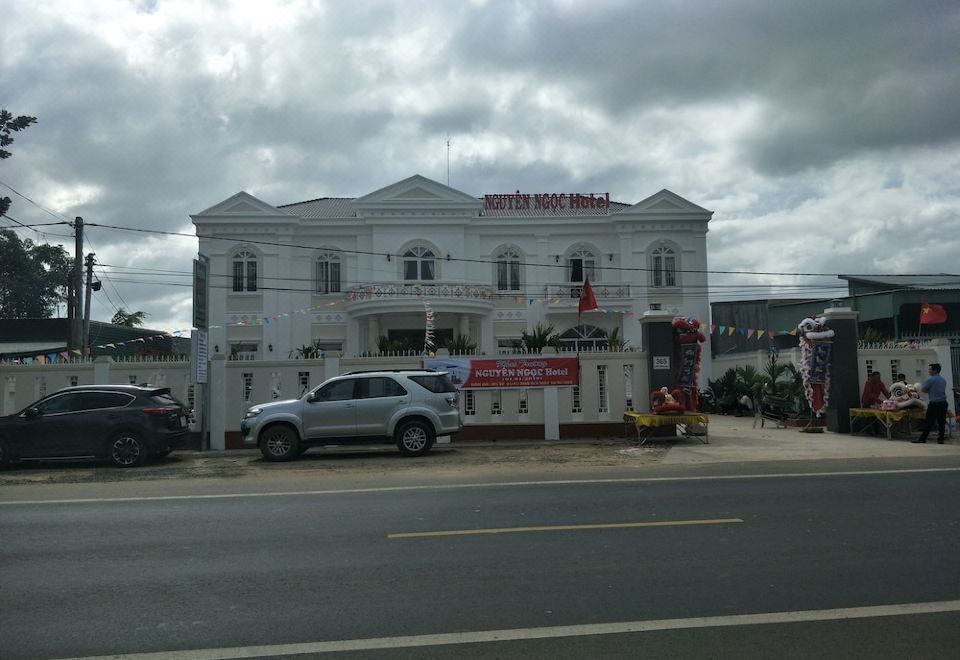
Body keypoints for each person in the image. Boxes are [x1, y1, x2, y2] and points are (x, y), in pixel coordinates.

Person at [913, 363, 948, 444]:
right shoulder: (943, 380)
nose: (929, 371)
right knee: (941, 422)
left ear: (935, 370)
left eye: (930, 369)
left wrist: (930, 390)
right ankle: (941, 439)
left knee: (929, 422)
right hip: (943, 403)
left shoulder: (930, 380)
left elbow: (924, 390)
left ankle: (923, 438)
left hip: (934, 403)